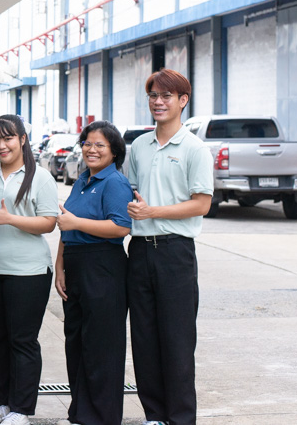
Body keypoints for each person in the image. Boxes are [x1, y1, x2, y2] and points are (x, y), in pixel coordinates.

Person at [125, 69, 213, 425]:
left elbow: (201, 203)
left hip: (176, 252)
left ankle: (180, 419)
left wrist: (153, 211)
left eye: (166, 96)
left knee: (176, 341)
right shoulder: (139, 147)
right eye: (153, 96)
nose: (158, 103)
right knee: (144, 338)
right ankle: (154, 416)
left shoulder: (194, 149)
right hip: (140, 251)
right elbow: (128, 192)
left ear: (182, 101)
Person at [0, 114, 59, 425]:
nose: (1, 145)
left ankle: (22, 409)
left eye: (8, 138)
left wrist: (11, 219)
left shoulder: (40, 177)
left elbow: (49, 223)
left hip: (29, 271)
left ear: (22, 139)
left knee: (22, 340)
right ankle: (5, 405)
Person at [55, 120, 134, 425]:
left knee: (102, 345)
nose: (92, 149)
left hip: (103, 266)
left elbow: (121, 227)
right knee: (76, 341)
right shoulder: (81, 180)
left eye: (100, 145)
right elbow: (66, 223)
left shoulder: (115, 183)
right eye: (87, 143)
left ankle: (102, 416)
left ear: (114, 152)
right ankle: (80, 412)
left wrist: (77, 225)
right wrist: (60, 266)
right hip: (75, 263)